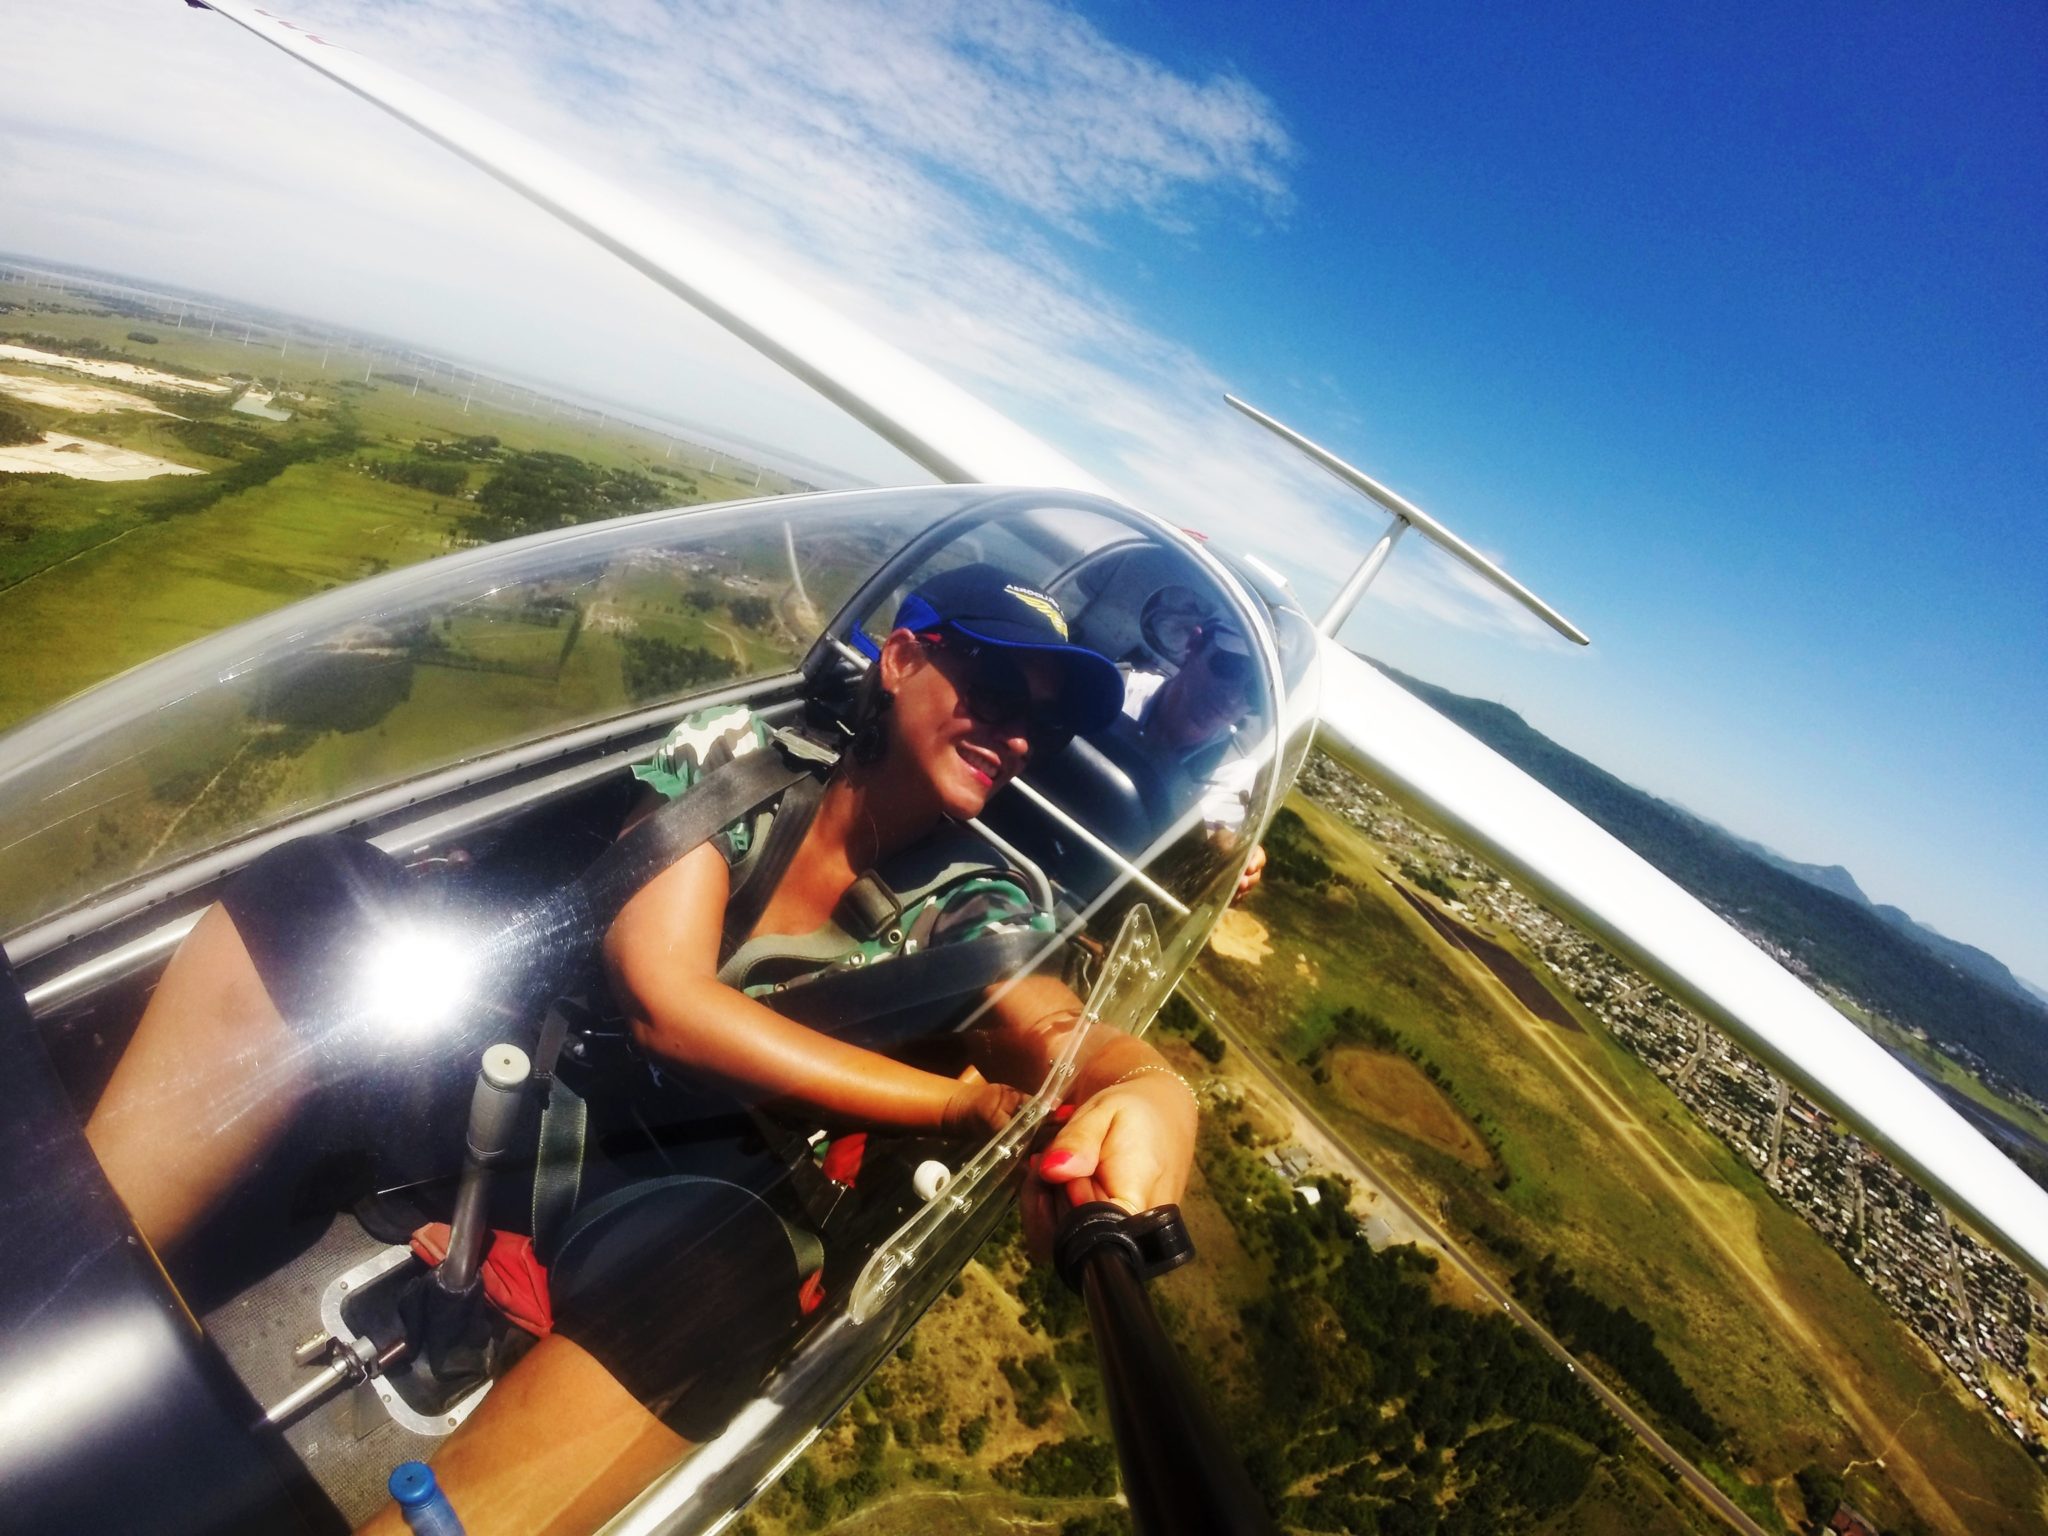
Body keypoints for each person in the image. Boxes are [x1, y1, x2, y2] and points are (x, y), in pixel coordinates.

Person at [85, 562, 1201, 1536]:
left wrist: (1147, 1085)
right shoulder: (738, 760)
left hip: (679, 1192)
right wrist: (954, 1111)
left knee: (731, 1284)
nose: (1016, 735)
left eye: (1043, 728)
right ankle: (71, 1282)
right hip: (533, 1095)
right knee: (311, 897)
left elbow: (1051, 1022)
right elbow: (668, 1002)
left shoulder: (981, 901)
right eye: (997, 688)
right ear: (902, 659)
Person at [1118, 602, 1268, 901]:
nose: (1234, 697)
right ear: (1194, 645)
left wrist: (1237, 856)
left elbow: (1215, 846)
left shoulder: (1233, 772)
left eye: (1254, 691)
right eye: (1230, 667)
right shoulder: (1116, 690)